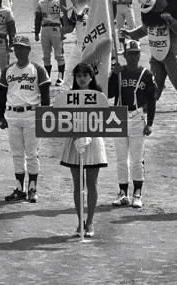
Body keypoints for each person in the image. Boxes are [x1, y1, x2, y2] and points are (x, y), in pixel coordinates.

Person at [0, 36, 50, 203]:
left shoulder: (37, 69)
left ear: (29, 50)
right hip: (12, 115)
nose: (19, 51)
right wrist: (0, 116)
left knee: (32, 154)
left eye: (22, 48)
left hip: (32, 114)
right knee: (17, 153)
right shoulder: (8, 70)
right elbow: (2, 96)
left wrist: (45, 117)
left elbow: (46, 97)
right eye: (16, 48)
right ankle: (20, 189)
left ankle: (33, 188)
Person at [60, 63, 108, 238]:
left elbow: (105, 119)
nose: (81, 78)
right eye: (78, 75)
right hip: (74, 141)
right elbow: (63, 120)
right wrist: (75, 136)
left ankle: (90, 222)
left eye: (85, 75)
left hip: (93, 141)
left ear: (91, 77)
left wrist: (90, 134)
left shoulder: (99, 96)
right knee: (77, 185)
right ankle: (80, 222)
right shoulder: (69, 96)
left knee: (92, 184)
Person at [107, 40, 157, 208]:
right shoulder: (119, 73)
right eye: (130, 53)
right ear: (125, 55)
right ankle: (122, 193)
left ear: (139, 55)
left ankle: (137, 193)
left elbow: (152, 99)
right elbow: (110, 93)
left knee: (137, 158)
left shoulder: (146, 74)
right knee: (121, 158)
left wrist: (150, 122)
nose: (133, 56)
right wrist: (114, 75)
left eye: (136, 53)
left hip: (137, 116)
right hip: (118, 115)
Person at [34, 0, 66, 85]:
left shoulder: (59, 1)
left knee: (59, 55)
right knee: (46, 55)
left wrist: (64, 31)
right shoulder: (41, 2)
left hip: (56, 28)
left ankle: (60, 78)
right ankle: (47, 77)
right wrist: (36, 32)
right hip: (45, 30)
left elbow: (63, 17)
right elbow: (38, 18)